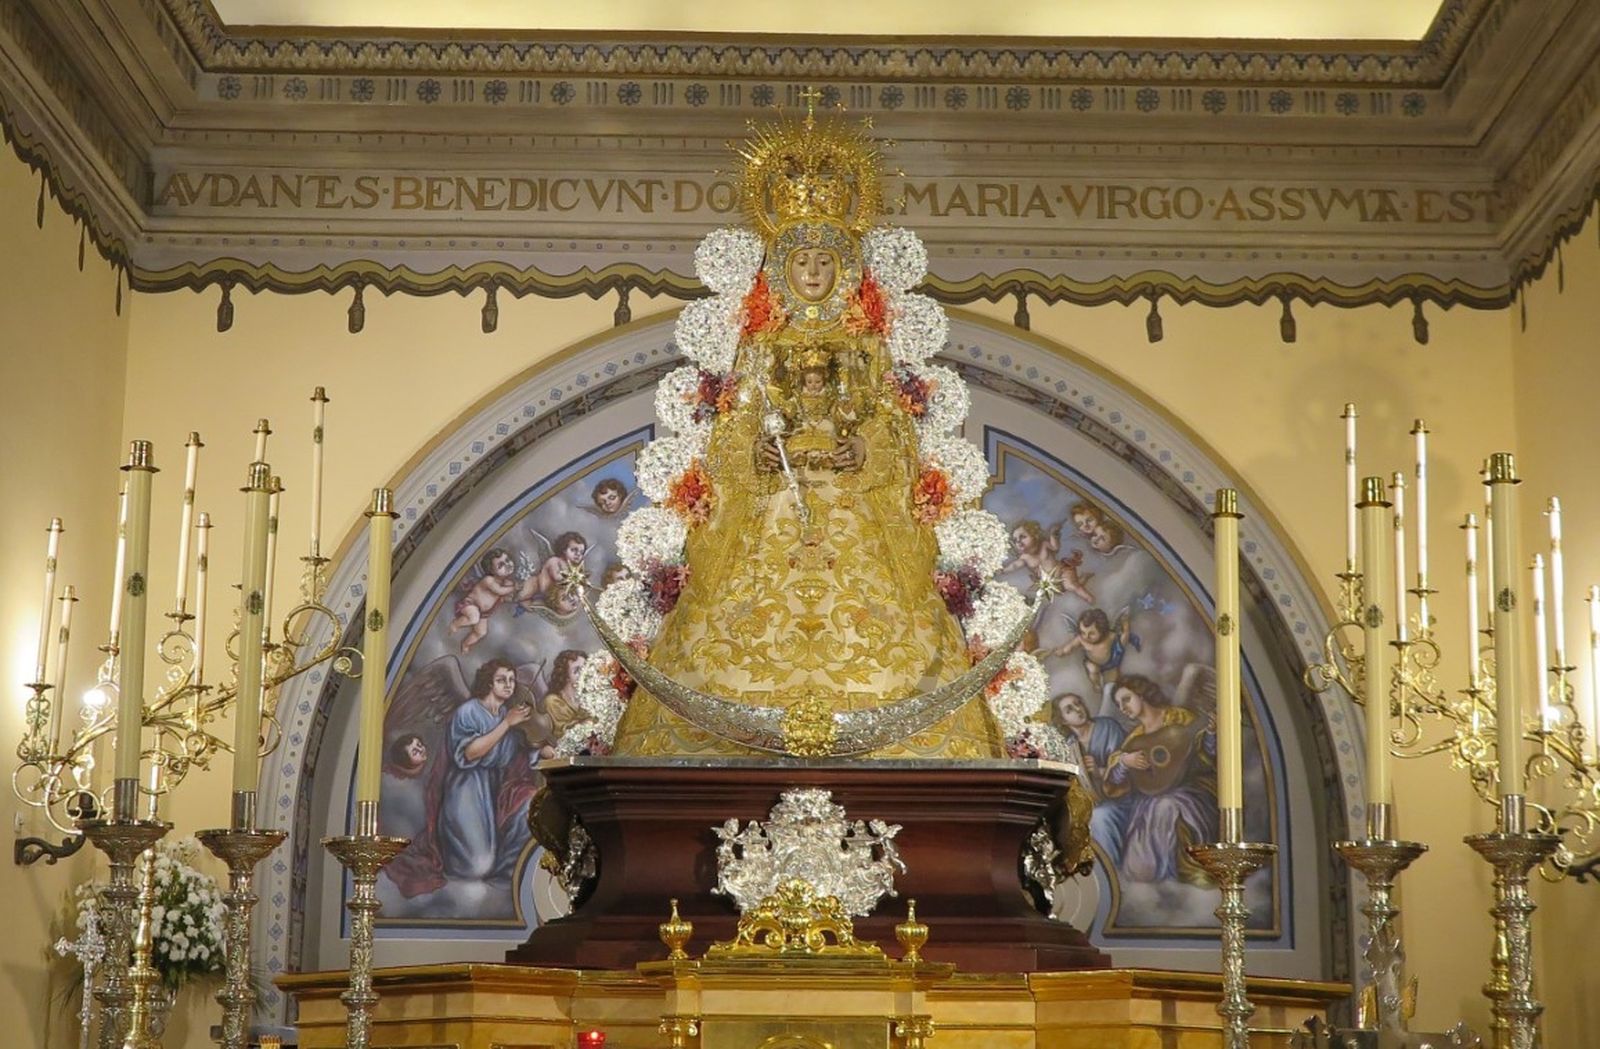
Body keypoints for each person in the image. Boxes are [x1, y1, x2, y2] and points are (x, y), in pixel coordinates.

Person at [611, 119, 1000, 760]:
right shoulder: (759, 341)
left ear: (843, 269)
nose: (814, 273)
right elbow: (731, 429)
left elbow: (893, 425)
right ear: (783, 269)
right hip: (771, 509)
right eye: (802, 262)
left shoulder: (864, 341)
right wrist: (752, 455)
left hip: (855, 515)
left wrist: (867, 450)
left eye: (825, 261)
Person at [1100, 674, 1218, 882]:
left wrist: (1211, 733)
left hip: (1191, 792)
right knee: (1137, 869)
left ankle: (1180, 872)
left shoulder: (1180, 719)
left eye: (1126, 699)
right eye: (1118, 704)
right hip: (1148, 803)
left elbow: (1206, 756)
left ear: (1141, 694)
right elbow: (1115, 785)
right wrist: (1124, 763)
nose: (1123, 707)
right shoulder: (1135, 739)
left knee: (1166, 807)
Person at [439, 659, 537, 881]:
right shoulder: (469, 711)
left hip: (495, 786)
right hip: (466, 789)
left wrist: (540, 745)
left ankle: (506, 871)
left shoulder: (507, 713)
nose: (508, 685)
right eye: (501, 680)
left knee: (531, 805)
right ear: (489, 683)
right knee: (477, 866)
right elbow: (470, 753)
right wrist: (507, 724)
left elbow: (514, 755)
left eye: (511, 680)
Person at [1056, 692, 1130, 868]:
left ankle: (1111, 870)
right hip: (1089, 801)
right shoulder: (1070, 744)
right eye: (1069, 709)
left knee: (1100, 817)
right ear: (1064, 720)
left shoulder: (1108, 727)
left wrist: (1099, 771)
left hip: (1119, 799)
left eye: (1078, 703)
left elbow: (1127, 767)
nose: (1078, 709)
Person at [449, 547, 517, 652]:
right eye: (501, 565)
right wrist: (514, 588)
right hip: (471, 604)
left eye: (507, 560)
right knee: (473, 618)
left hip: (485, 613)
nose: (507, 565)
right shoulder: (489, 580)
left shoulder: (507, 583)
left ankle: (466, 644)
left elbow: (506, 596)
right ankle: (455, 623)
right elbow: (499, 591)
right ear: (491, 570)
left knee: (480, 632)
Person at [518, 531, 588, 615]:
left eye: (581, 552)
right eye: (573, 550)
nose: (578, 554)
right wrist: (574, 578)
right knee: (528, 593)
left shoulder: (572, 566)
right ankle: (522, 600)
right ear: (564, 550)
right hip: (538, 588)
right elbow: (557, 576)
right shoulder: (555, 561)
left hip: (552, 594)